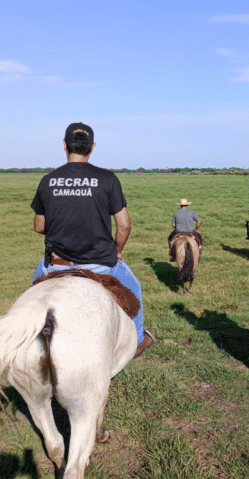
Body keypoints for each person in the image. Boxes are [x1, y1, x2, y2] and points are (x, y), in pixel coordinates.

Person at [30, 122, 155, 356]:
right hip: (100, 263)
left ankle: (25, 343)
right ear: (92, 147)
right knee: (134, 288)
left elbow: (39, 227)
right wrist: (117, 252)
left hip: (56, 263)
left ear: (65, 145)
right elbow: (124, 225)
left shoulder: (48, 180)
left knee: (28, 300)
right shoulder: (107, 179)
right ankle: (137, 343)